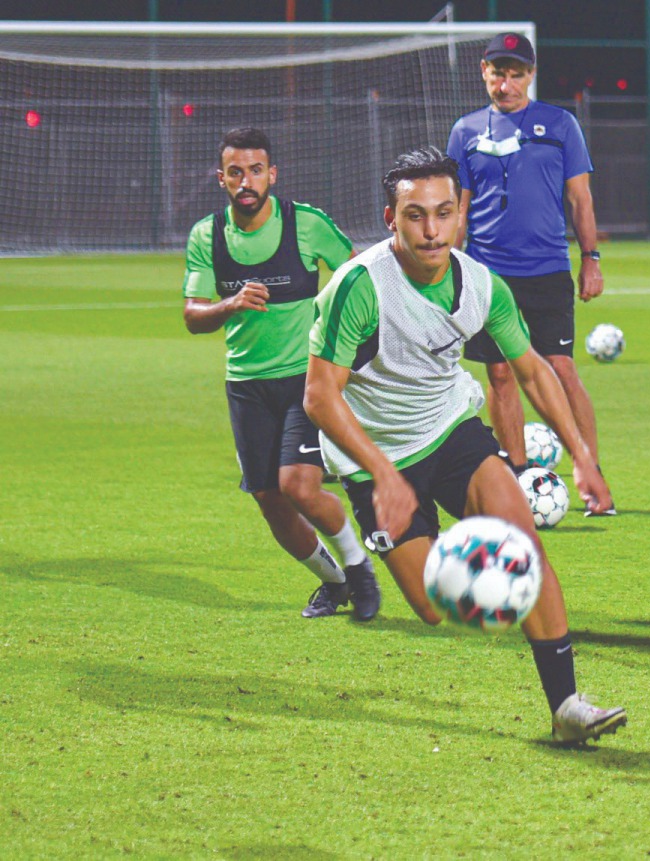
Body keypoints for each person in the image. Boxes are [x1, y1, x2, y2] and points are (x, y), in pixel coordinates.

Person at [303, 146, 626, 744]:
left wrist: (583, 457)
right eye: (415, 215)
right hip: (375, 456)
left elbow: (533, 372)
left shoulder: (481, 285)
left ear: (460, 216)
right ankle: (442, 552)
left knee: (523, 546)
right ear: (391, 218)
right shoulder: (361, 287)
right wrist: (385, 477)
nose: (431, 230)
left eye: (443, 213)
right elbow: (320, 399)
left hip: (451, 430)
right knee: (433, 607)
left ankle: (567, 707)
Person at [182, 127, 380, 621]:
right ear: (221, 178)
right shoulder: (207, 235)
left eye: (255, 171)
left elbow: (359, 277)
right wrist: (230, 304)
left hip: (304, 382)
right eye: (235, 172)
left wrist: (348, 348)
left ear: (272, 174)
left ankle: (360, 570)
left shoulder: (305, 223)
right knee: (270, 500)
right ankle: (334, 582)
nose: (245, 181)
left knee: (299, 486)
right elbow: (193, 315)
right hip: (246, 388)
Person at [446, 32, 615, 515]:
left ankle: (591, 472)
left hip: (546, 269)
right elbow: (459, 208)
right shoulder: (465, 131)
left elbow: (580, 198)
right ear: (484, 72)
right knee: (500, 374)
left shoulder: (560, 124)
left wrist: (591, 259)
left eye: (516, 74)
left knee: (561, 368)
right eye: (498, 73)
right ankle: (519, 477)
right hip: (487, 273)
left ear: (530, 75)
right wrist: (448, 270)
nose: (506, 84)